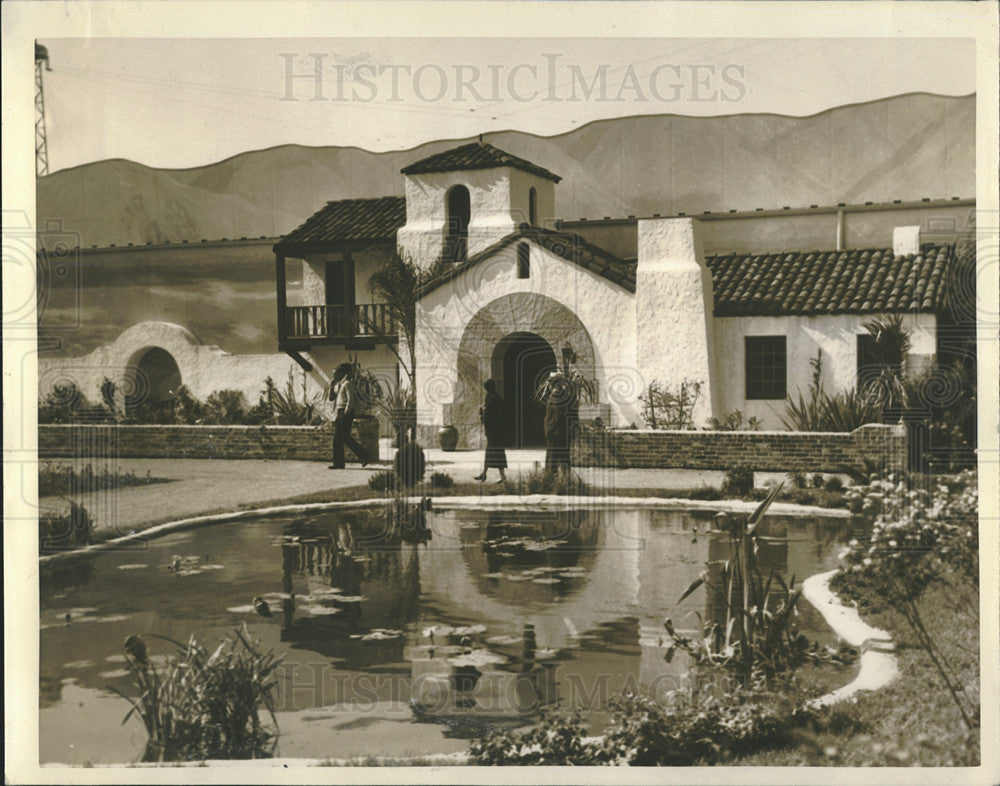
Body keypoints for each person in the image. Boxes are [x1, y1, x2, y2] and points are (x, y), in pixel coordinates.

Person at [328, 362, 372, 469]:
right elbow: (331, 398)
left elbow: (350, 400)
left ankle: (342, 462)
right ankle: (363, 456)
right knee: (343, 438)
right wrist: (332, 385)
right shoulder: (338, 385)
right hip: (340, 412)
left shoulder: (347, 384)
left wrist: (346, 413)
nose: (334, 376)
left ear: (341, 374)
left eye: (335, 374)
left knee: (341, 438)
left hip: (345, 412)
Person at [474, 379, 507, 483]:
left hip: (494, 431)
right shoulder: (494, 397)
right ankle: (485, 473)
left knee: (495, 452)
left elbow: (489, 414)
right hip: (495, 431)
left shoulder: (492, 398)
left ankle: (500, 476)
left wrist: (482, 412)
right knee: (493, 452)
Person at [542, 371, 573, 472]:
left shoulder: (557, 395)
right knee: (562, 458)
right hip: (559, 431)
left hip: (556, 432)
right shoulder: (562, 394)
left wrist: (551, 431)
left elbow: (558, 416)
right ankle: (564, 480)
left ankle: (553, 481)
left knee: (553, 459)